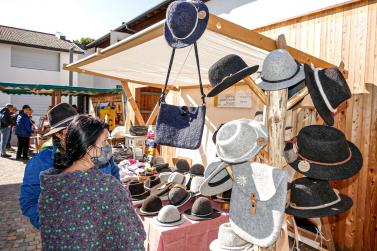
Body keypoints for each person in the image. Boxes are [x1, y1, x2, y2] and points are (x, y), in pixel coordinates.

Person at [39, 115, 145, 250]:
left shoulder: (50, 186)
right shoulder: (107, 187)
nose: (108, 146)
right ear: (89, 148)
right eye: (105, 141)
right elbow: (132, 241)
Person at [19, 103, 120, 230]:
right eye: (70, 131)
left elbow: (115, 177)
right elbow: (29, 202)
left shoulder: (98, 152)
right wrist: (54, 226)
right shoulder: (40, 162)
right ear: (58, 135)